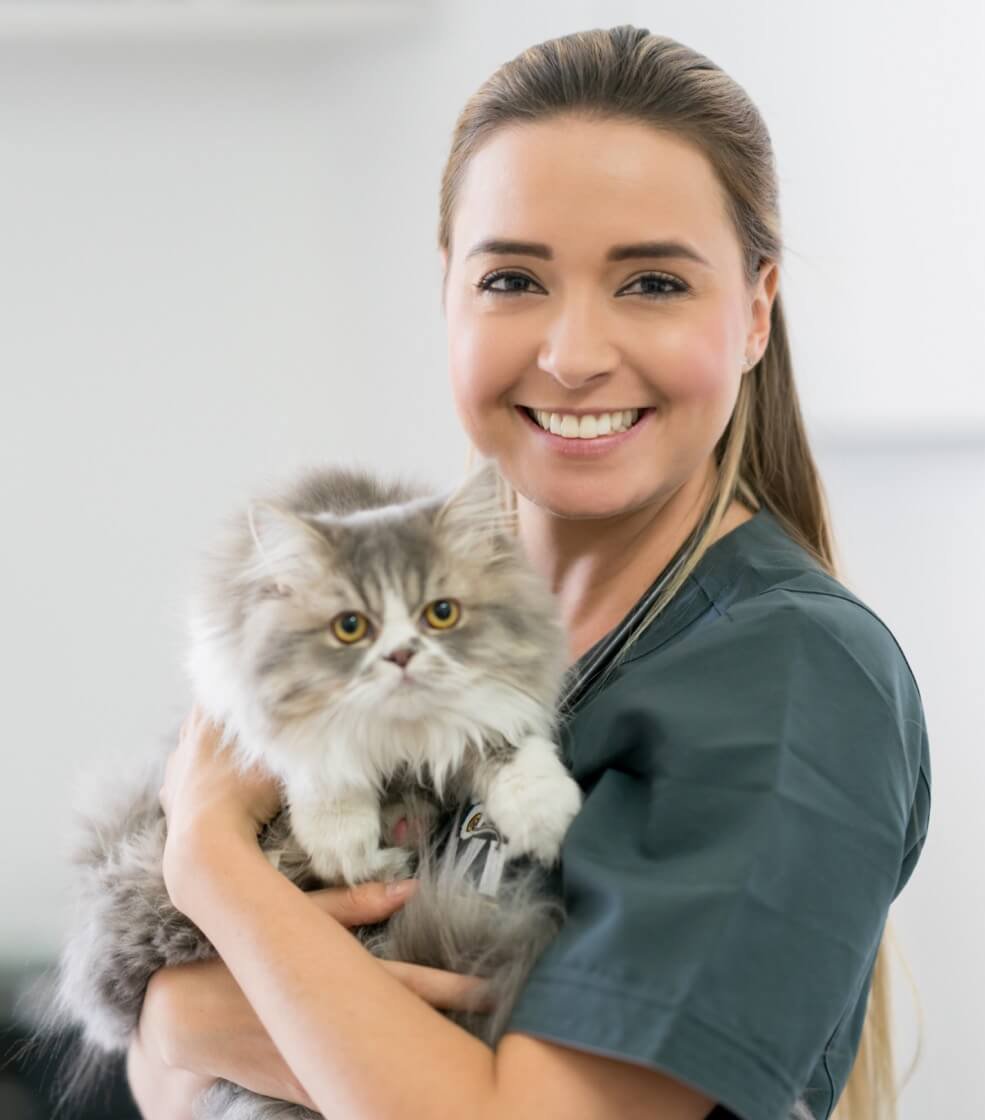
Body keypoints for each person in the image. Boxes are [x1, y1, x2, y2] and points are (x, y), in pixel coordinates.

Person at [127, 25, 931, 1120]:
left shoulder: (792, 676)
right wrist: (179, 1021)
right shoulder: (369, 614)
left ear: (755, 311)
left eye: (651, 282)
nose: (572, 354)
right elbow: (160, 1075)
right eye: (513, 278)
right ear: (448, 294)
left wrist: (213, 876)